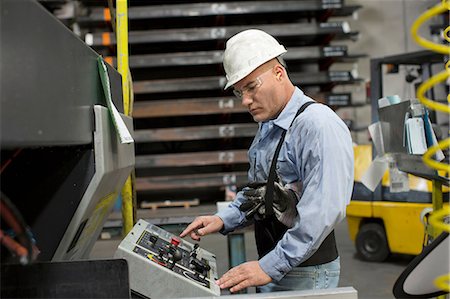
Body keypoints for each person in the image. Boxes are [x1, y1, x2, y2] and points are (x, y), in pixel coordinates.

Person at [180, 29, 354, 293]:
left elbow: (322, 213)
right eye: (240, 92)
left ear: (279, 73)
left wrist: (267, 267)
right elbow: (261, 193)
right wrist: (224, 218)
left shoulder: (317, 125)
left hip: (305, 272)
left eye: (251, 87)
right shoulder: (270, 126)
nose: (246, 101)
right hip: (276, 265)